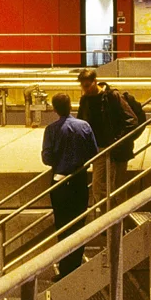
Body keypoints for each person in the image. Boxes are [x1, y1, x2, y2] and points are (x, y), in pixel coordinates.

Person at [41, 92, 98, 276]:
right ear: (71, 106)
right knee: (78, 224)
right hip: (79, 180)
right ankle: (76, 264)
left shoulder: (51, 129)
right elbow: (93, 153)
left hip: (59, 181)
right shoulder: (85, 126)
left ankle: (65, 268)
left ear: (54, 108)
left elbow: (47, 158)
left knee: (63, 225)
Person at [76, 68, 141, 193]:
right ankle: (108, 211)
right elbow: (81, 123)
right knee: (98, 186)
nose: (86, 90)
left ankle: (119, 211)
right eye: (83, 87)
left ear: (95, 82)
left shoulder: (112, 96)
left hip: (117, 148)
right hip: (99, 149)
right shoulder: (85, 100)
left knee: (118, 187)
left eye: (88, 86)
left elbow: (132, 120)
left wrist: (117, 141)